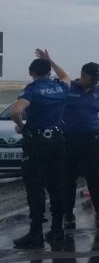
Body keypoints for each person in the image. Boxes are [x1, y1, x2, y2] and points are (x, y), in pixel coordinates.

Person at [41, 52, 99, 230]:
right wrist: (50, 61)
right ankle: (68, 216)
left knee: (94, 179)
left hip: (91, 142)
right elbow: (62, 75)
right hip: (69, 142)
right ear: (83, 75)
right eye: (93, 78)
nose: (96, 82)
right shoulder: (69, 88)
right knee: (68, 181)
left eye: (98, 78)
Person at [11, 51, 70, 248]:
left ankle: (36, 232)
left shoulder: (33, 90)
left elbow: (15, 111)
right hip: (58, 139)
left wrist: (22, 126)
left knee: (35, 186)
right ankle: (57, 230)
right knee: (56, 185)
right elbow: (65, 76)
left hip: (37, 143)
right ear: (48, 71)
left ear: (31, 72)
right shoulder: (60, 87)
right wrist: (51, 60)